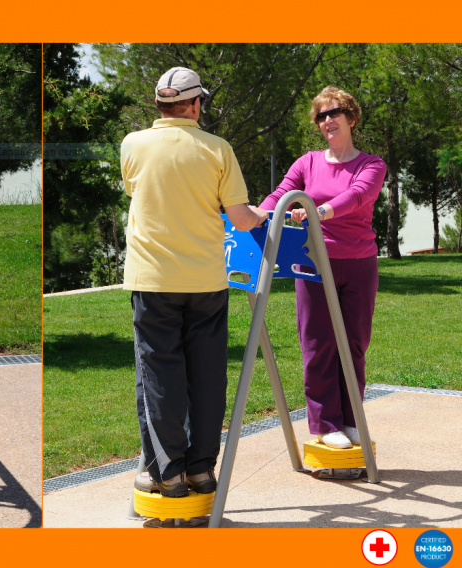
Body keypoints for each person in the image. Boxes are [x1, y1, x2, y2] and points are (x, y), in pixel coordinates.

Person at [121, 67, 268, 497]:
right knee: (206, 374)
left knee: (158, 373)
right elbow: (241, 219)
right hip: (206, 280)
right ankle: (201, 470)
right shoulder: (218, 149)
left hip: (153, 280)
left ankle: (166, 472)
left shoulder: (133, 144)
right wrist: (260, 212)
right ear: (196, 103)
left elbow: (137, 191)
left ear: (160, 104)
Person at [258, 86, 386, 449]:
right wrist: (257, 214)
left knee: (355, 344)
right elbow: (281, 193)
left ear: (351, 117)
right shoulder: (308, 163)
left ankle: (351, 418)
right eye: (321, 116)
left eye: (333, 113)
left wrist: (319, 211)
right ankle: (325, 423)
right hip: (312, 262)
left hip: (359, 263)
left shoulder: (371, 164)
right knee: (317, 344)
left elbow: (358, 195)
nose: (327, 120)